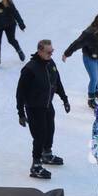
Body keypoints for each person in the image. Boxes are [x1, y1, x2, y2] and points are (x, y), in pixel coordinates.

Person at [17, 40, 71, 178]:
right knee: (39, 136)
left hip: (47, 104)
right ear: (40, 51)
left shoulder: (50, 64)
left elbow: (57, 82)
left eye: (52, 51)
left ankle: (47, 154)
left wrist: (64, 98)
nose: (51, 54)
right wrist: (21, 113)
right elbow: (20, 92)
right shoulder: (30, 69)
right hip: (34, 107)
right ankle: (35, 165)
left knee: (50, 131)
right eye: (48, 52)